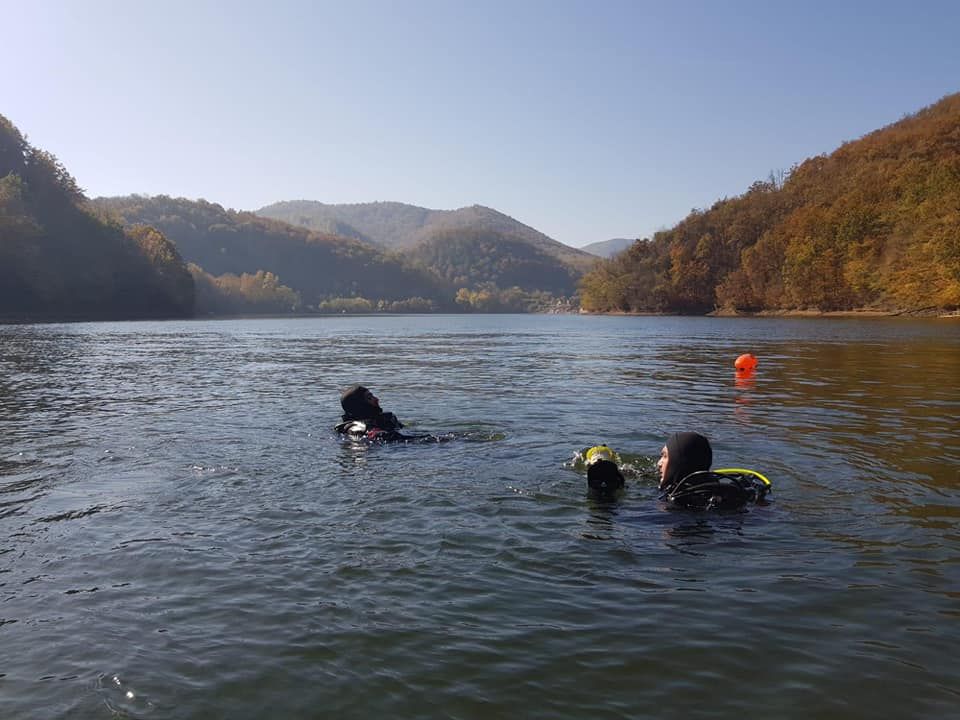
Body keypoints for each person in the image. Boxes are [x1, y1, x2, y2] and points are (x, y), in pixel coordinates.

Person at [657, 431, 771, 510]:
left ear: (679, 461)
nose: (659, 463)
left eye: (665, 456)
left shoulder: (678, 501)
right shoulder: (717, 485)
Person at [334, 385, 407, 442]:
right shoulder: (353, 426)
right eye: (369, 398)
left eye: (372, 396)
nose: (376, 399)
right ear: (360, 406)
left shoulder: (385, 418)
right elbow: (365, 432)